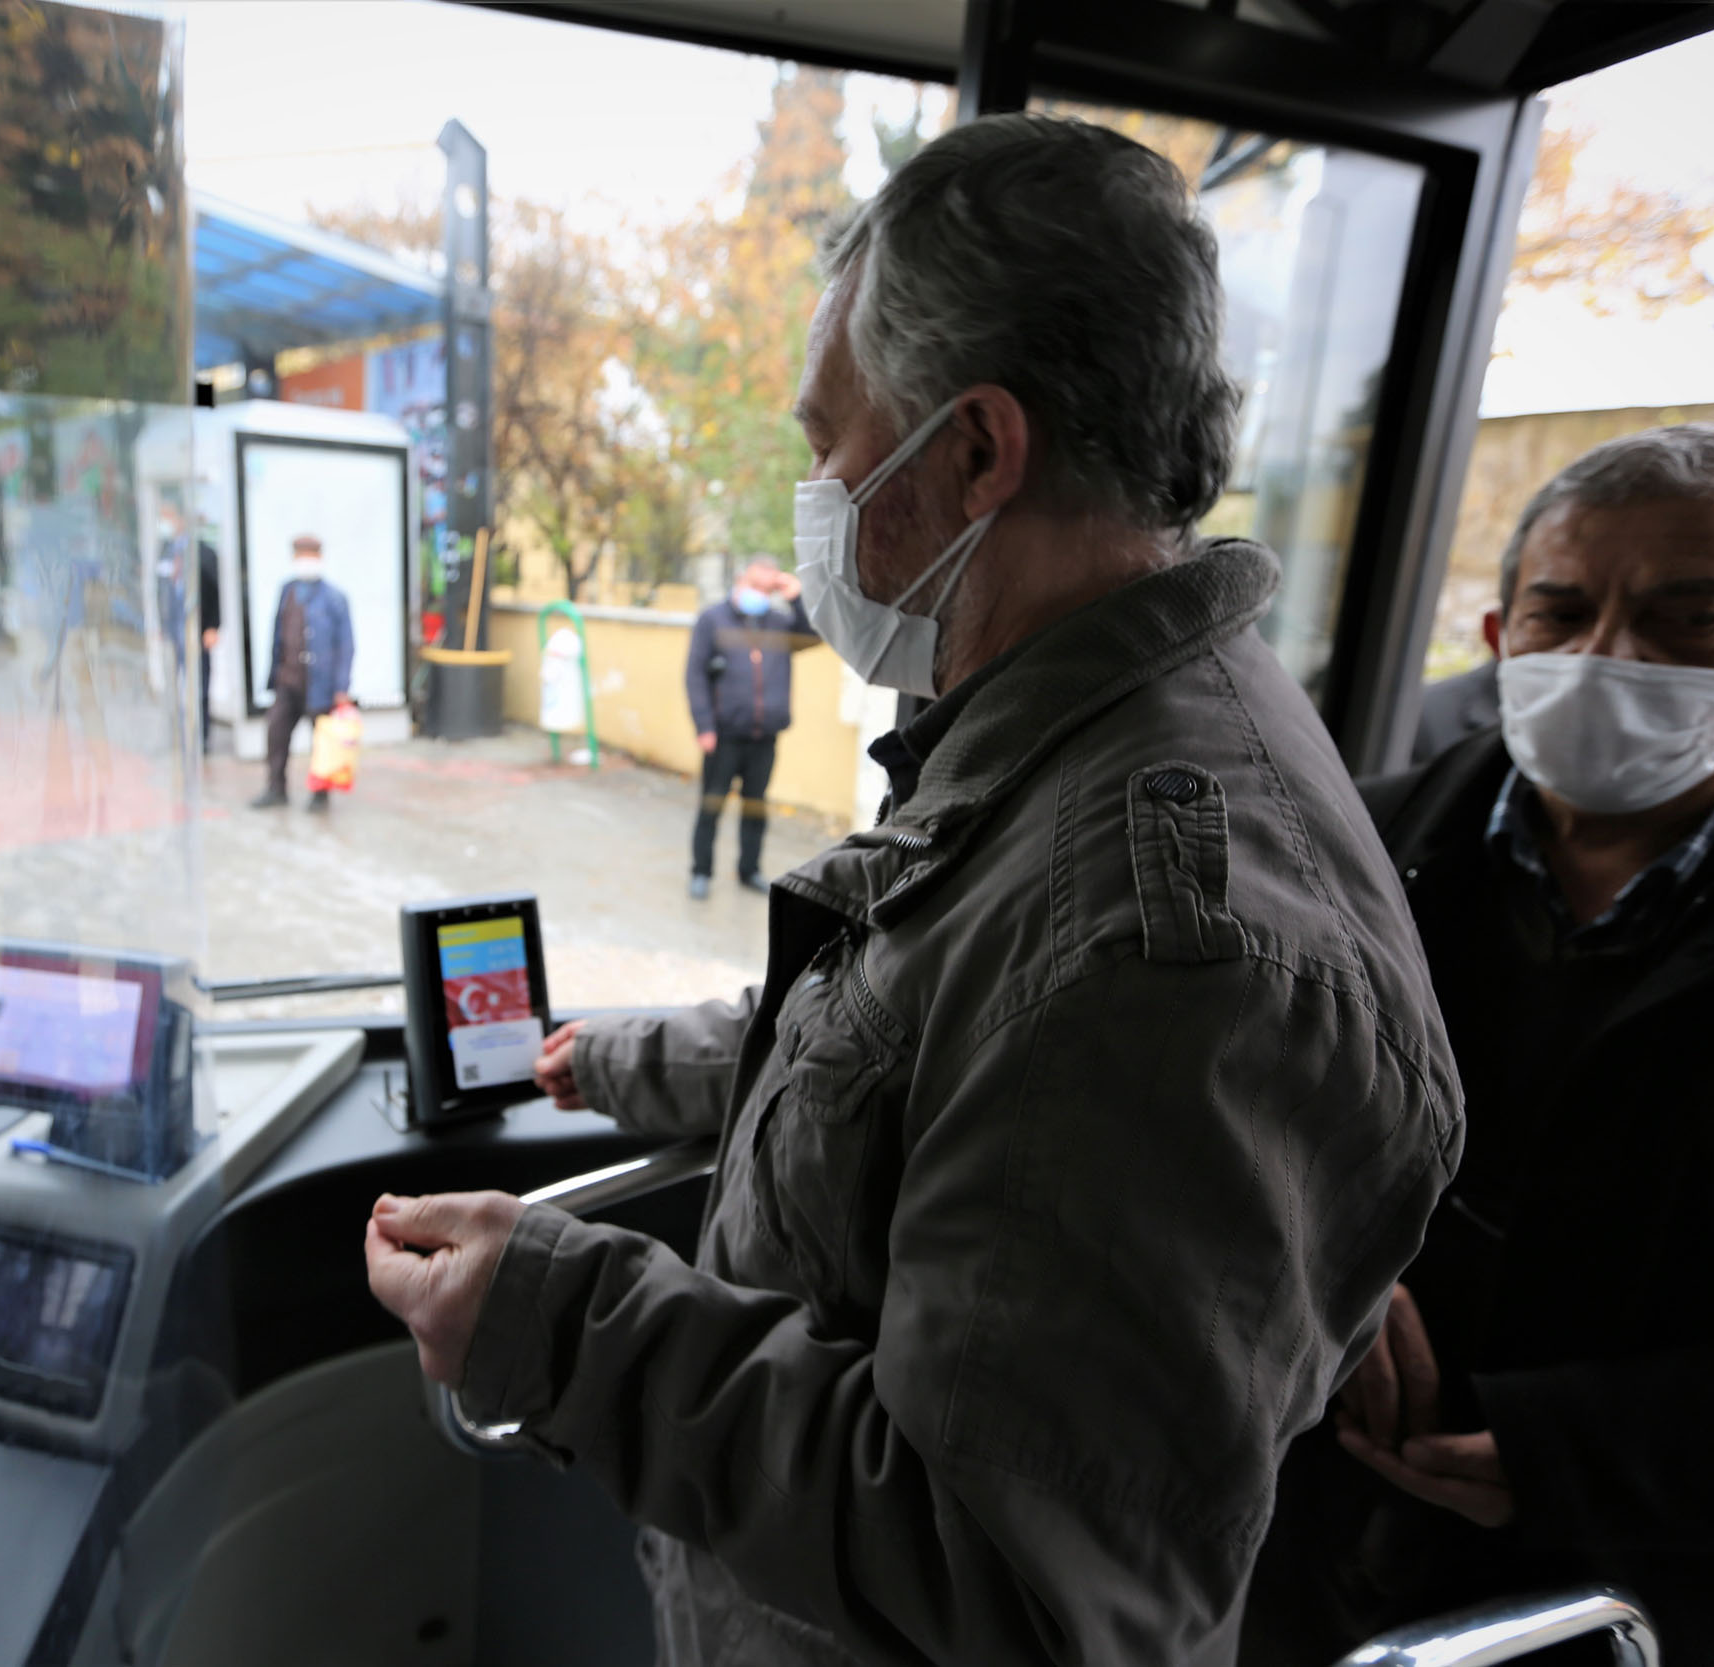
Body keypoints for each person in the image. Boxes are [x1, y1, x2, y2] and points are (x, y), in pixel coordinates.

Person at [363, 114, 1462, 1667]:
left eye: (832, 443)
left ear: (975, 452)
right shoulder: (1066, 747)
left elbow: (1008, 1571)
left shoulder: (1160, 948)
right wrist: (612, 1054)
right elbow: (904, 1039)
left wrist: (557, 1321)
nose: (815, 493)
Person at [1241, 424, 1714, 1667]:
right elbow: (1206, 1133)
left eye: (1690, 618)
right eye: (1561, 611)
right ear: (1501, 637)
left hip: (1655, 1609)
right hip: (1305, 1569)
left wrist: (1569, 1451)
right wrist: (1318, 1267)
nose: (1608, 655)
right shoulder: (1333, 851)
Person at [683, 554, 815, 898]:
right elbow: (695, 675)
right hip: (723, 736)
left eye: (767, 587)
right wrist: (704, 725)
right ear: (741, 580)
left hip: (764, 737)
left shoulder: (779, 623)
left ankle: (749, 870)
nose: (760, 592)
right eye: (756, 584)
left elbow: (813, 634)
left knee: (755, 807)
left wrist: (795, 597)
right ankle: (701, 871)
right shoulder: (713, 620)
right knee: (712, 806)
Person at [253, 533, 353, 813]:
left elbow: (346, 645)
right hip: (288, 679)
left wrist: (341, 687)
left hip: (320, 682)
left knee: (322, 742)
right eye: (300, 556)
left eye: (310, 556)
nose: (305, 562)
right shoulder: (288, 591)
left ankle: (320, 794)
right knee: (276, 732)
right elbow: (278, 634)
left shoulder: (334, 597)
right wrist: (274, 675)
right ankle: (276, 789)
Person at [155, 501, 223, 752]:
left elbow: (216, 591)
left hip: (197, 629)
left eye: (169, 517)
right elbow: (160, 589)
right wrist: (161, 624)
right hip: (173, 628)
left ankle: (201, 738)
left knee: (199, 685)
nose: (166, 523)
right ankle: (177, 735)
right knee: (175, 685)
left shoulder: (204, 553)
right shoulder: (166, 550)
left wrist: (213, 626)